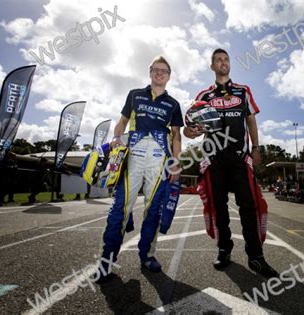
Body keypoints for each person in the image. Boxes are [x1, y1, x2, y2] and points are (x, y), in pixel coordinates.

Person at [184, 48, 278, 278]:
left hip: (239, 156)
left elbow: (251, 121)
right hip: (213, 158)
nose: (223, 62)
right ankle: (224, 249)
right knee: (219, 207)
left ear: (229, 64)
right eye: (218, 60)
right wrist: (191, 131)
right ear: (212, 66)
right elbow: (189, 130)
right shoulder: (203, 95)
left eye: (226, 59)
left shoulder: (243, 90)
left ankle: (255, 256)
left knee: (248, 206)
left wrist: (256, 148)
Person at [96, 56, 183, 283]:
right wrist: (116, 137)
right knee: (120, 208)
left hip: (158, 156)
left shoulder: (173, 104)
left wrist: (175, 162)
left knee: (153, 210)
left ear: (169, 75)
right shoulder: (135, 94)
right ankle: (107, 260)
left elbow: (176, 135)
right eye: (156, 70)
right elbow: (122, 121)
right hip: (133, 154)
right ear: (150, 72)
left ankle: (147, 256)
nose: (159, 74)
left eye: (164, 71)